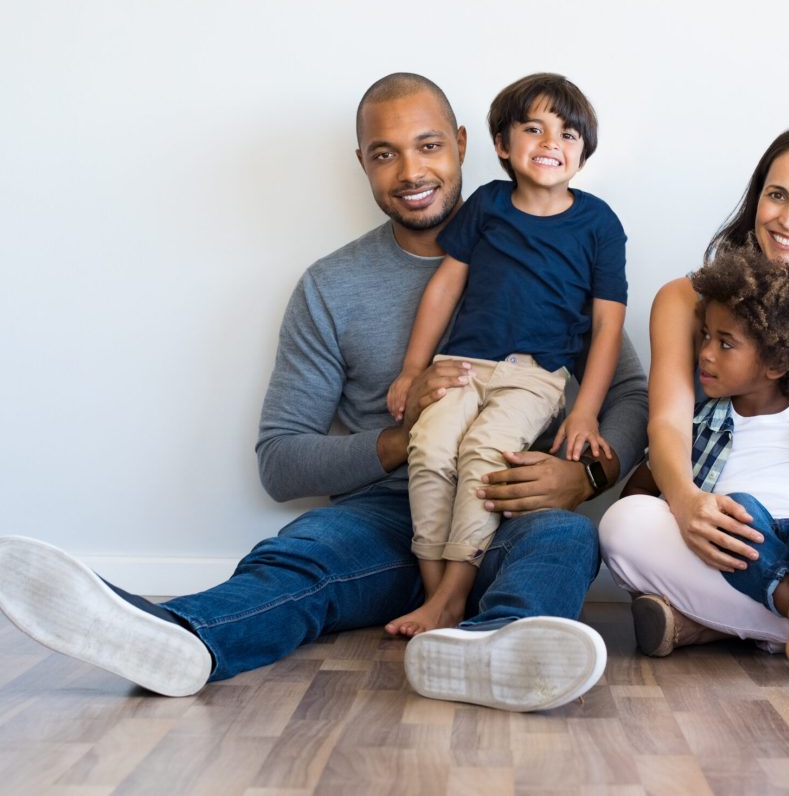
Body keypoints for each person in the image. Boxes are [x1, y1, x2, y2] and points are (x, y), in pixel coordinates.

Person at [0, 73, 649, 712]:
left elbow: (626, 393)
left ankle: (490, 650)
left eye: (427, 145)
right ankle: (177, 636)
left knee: (565, 540)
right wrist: (406, 438)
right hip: (386, 519)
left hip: (511, 505)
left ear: (460, 143)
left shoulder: (555, 250)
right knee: (300, 553)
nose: (410, 171)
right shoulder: (331, 286)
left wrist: (581, 476)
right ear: (362, 163)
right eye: (384, 153)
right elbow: (281, 461)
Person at [599, 123, 789, 658]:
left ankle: (713, 623)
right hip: (728, 530)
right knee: (624, 526)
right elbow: (666, 423)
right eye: (777, 195)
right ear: (756, 198)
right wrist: (687, 501)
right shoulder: (684, 300)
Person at [385, 73, 627, 636]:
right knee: (430, 446)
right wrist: (412, 369)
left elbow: (608, 327)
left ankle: (454, 595)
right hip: (463, 365)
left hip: (534, 376)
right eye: (534, 129)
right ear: (501, 145)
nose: (550, 143)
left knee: (483, 452)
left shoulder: (599, 225)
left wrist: (585, 410)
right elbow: (445, 286)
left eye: (568, 134)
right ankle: (435, 596)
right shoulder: (488, 205)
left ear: (584, 154)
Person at [625, 246, 789, 672]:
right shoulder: (700, 425)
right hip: (742, 544)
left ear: (776, 362)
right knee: (734, 510)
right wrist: (659, 513)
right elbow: (645, 485)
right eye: (705, 336)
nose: (704, 353)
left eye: (725, 343)